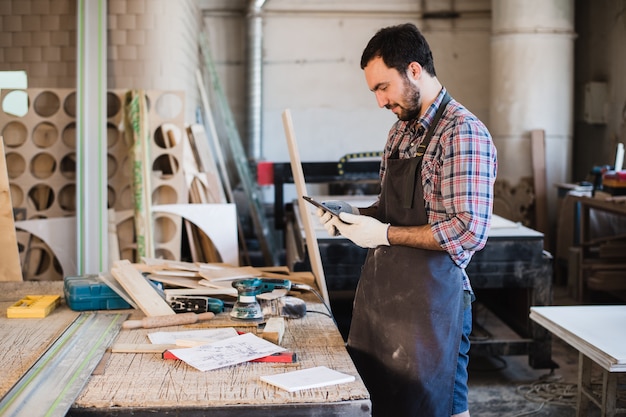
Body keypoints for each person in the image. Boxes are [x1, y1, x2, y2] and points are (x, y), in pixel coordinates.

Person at [317, 23, 497, 417]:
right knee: (378, 404)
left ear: (414, 70)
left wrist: (382, 233)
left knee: (436, 408)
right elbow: (388, 208)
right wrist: (351, 218)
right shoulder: (399, 134)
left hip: (433, 309)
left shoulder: (462, 133)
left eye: (383, 87)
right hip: (383, 302)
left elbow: (467, 229)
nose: (380, 102)